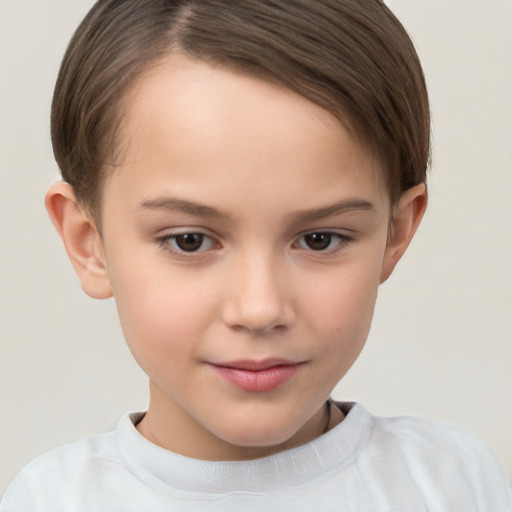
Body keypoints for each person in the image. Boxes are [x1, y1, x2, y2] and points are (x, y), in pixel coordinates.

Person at [1, 1, 510, 510]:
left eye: (319, 239)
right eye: (190, 241)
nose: (260, 308)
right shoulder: (51, 500)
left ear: (395, 234)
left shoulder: (453, 484)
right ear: (89, 242)